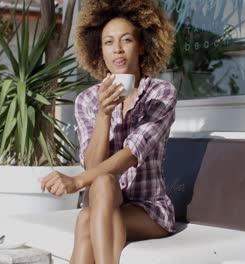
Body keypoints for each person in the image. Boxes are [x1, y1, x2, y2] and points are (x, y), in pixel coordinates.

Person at [39, 0, 176, 263]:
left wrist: (77, 181)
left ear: (142, 46)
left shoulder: (160, 94)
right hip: (105, 200)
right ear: (99, 51)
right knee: (99, 187)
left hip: (148, 211)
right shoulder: (88, 100)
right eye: (109, 42)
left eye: (126, 40)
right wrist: (103, 114)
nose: (118, 50)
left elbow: (131, 154)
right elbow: (92, 165)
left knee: (86, 218)